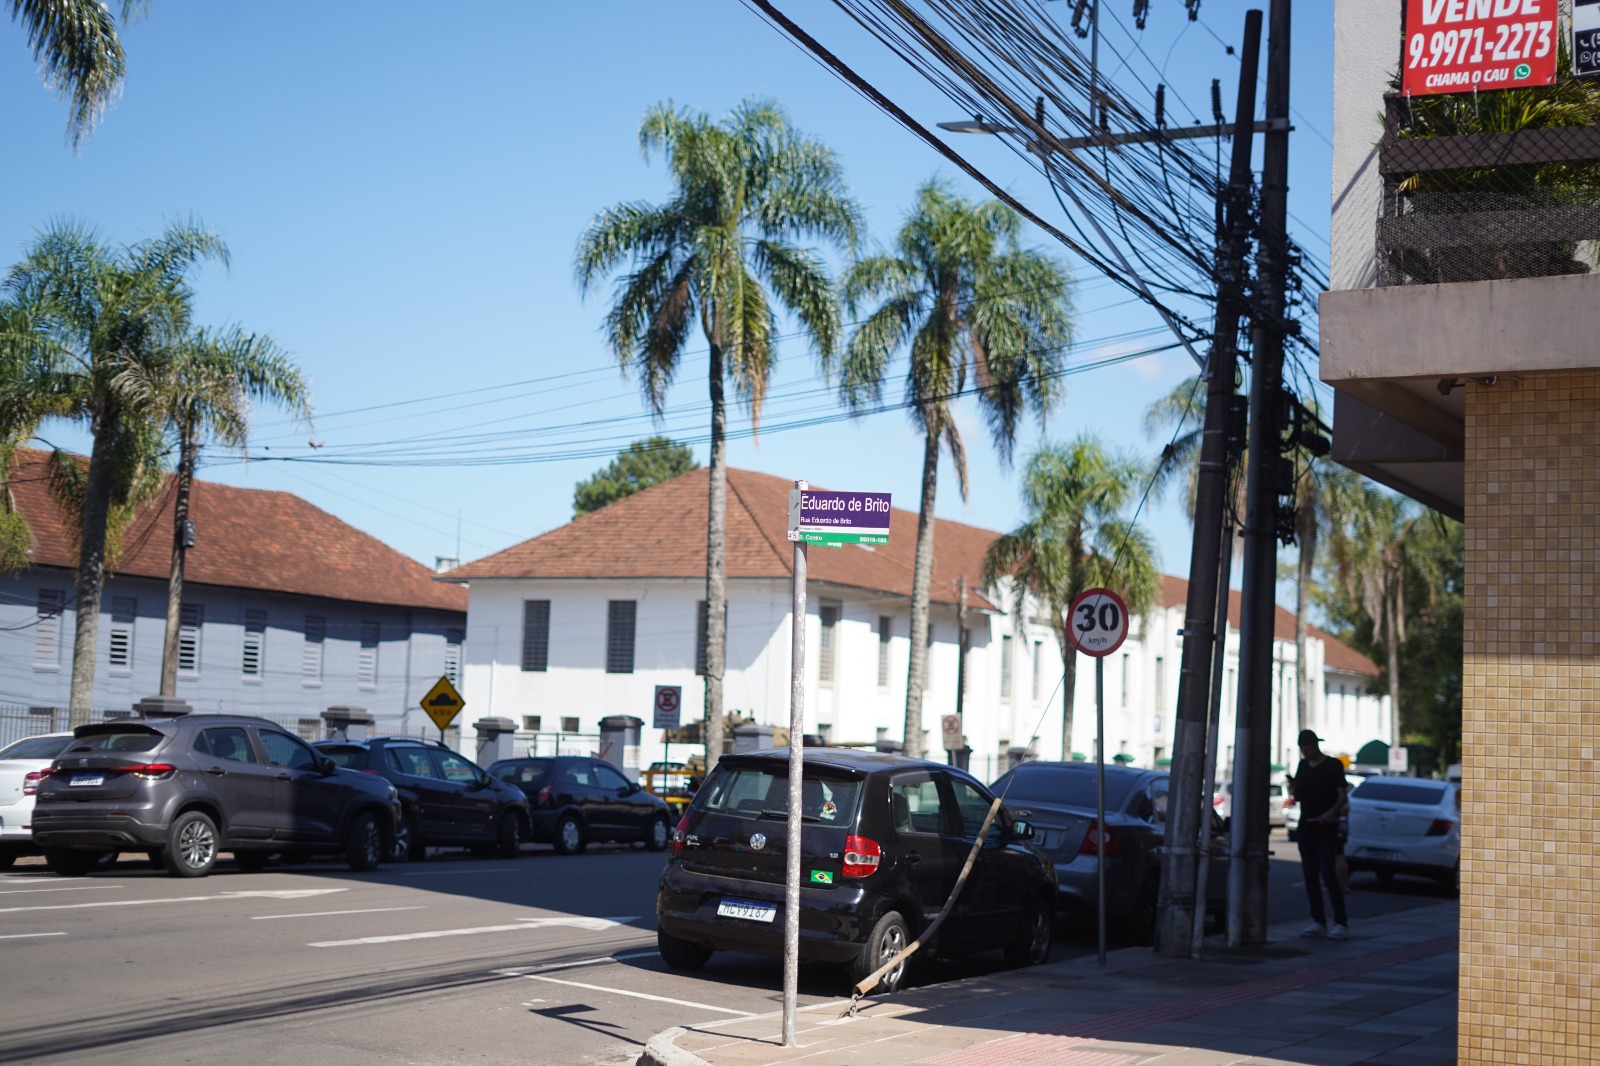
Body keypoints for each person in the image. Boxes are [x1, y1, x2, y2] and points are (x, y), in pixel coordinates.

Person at [1289, 728, 1349, 939]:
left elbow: (1342, 795)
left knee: (1328, 872)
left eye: (1307, 749)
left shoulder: (1333, 765)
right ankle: (1318, 920)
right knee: (1310, 874)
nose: (1305, 753)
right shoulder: (1303, 766)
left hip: (1326, 826)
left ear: (1315, 746)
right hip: (1306, 824)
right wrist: (1294, 787)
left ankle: (1340, 922)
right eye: (1302, 750)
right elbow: (1298, 796)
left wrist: (1331, 813)